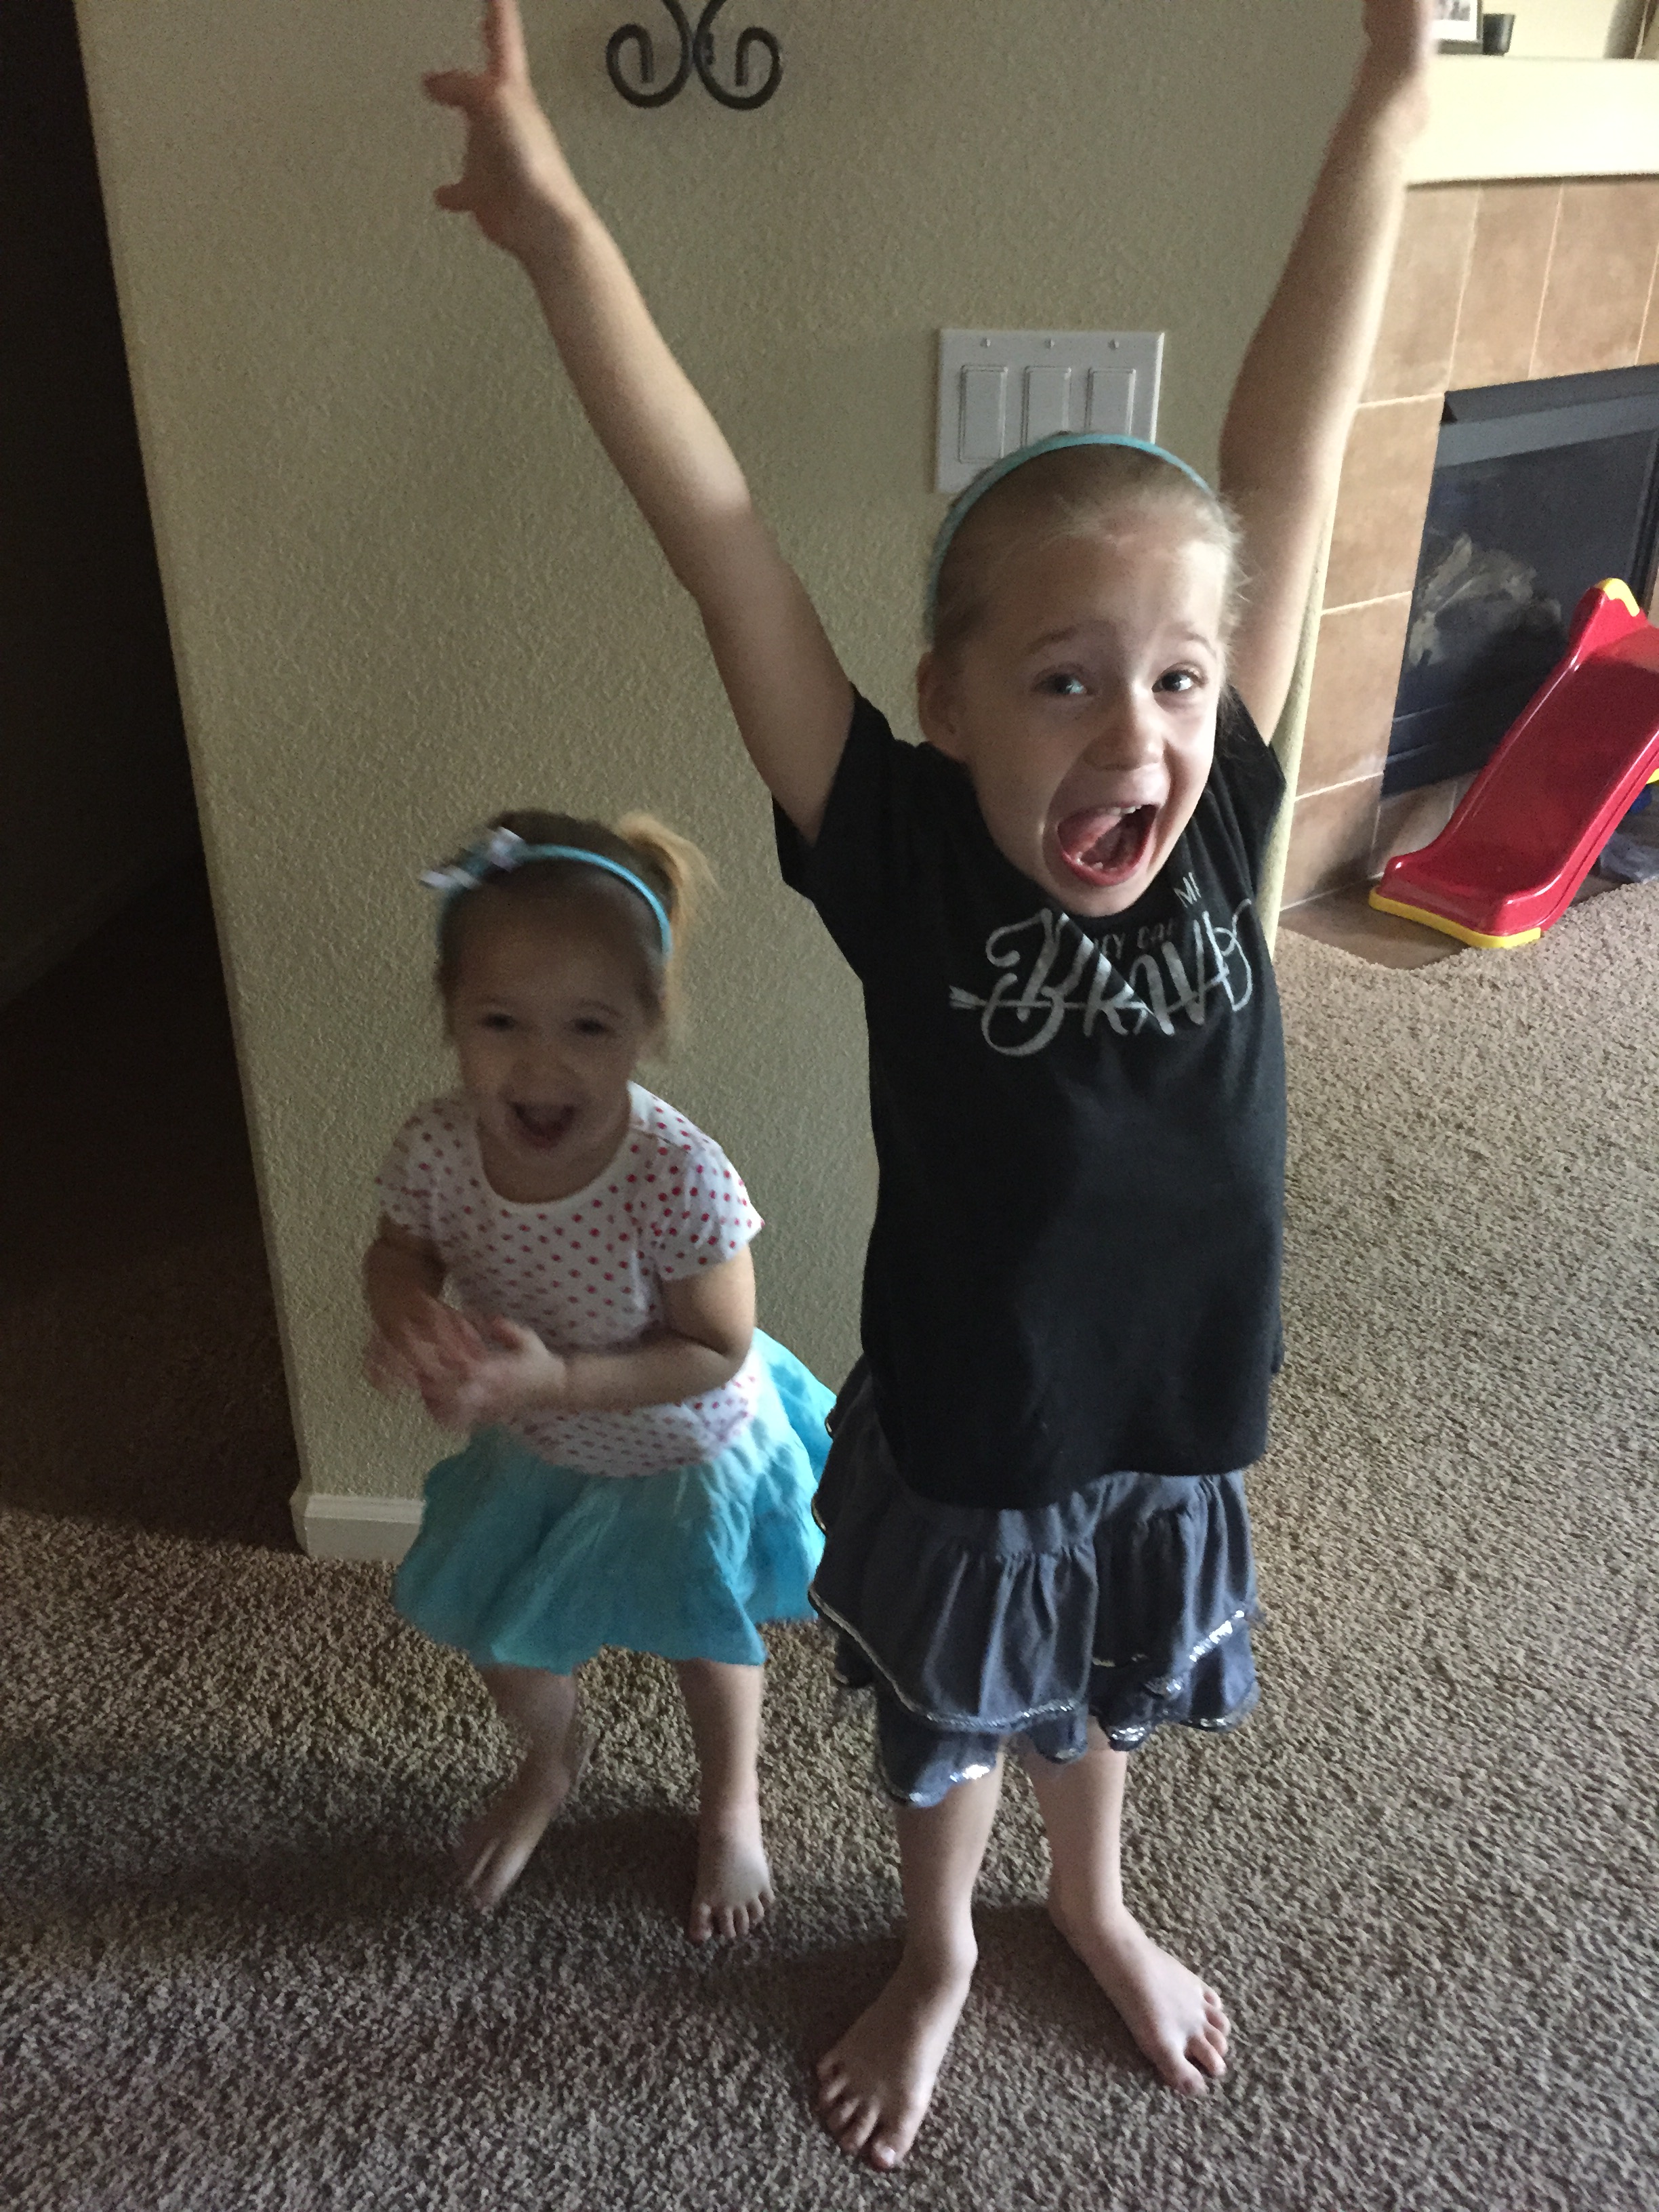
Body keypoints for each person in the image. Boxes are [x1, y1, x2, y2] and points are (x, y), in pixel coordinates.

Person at [417, 0, 1435, 2165]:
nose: (1141, 734)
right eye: (1066, 681)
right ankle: (946, 1942)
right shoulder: (896, 849)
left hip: (1170, 1407)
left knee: (1110, 1687)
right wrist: (561, 230)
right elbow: (717, 528)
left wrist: (1393, 98)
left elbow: (1288, 454)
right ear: (945, 703)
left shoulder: (1225, 820)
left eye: (1178, 680)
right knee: (957, 1715)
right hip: (979, 1424)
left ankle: (1095, 1900)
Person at [365, 808, 832, 1942]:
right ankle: (549, 1760)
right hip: (541, 1445)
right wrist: (409, 1314)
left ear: (647, 1024)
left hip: (683, 1451)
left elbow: (716, 1346)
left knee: (707, 1643)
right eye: (500, 1023)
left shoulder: (679, 1175)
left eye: (588, 1025)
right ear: (450, 1015)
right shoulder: (437, 1146)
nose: (541, 1063)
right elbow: (398, 1252)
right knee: (507, 1638)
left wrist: (559, 1382)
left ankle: (731, 1803)